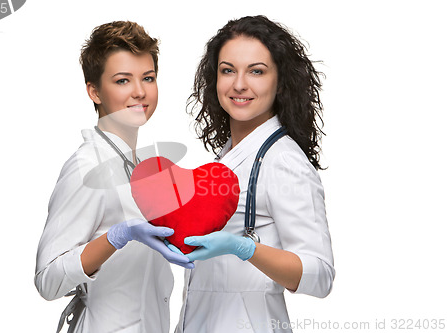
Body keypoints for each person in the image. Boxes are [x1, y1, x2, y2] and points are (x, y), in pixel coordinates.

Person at [175, 16, 335, 333]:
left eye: (256, 71)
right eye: (228, 70)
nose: (239, 84)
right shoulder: (227, 154)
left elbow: (320, 275)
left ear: (281, 81)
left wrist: (244, 249)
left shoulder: (283, 161)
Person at [35, 21, 193, 333]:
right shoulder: (86, 167)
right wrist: (116, 237)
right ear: (94, 91)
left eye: (148, 78)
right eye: (123, 80)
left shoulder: (145, 167)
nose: (139, 91)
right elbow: (48, 279)